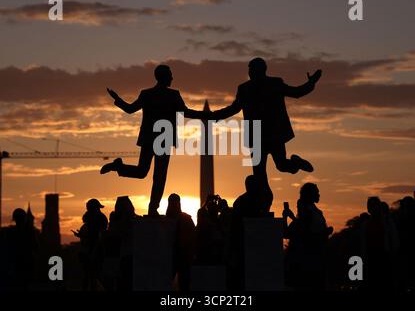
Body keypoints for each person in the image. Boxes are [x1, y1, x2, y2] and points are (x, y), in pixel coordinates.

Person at [212, 58, 322, 211]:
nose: (249, 73)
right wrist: (216, 115)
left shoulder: (263, 85)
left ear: (260, 70)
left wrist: (311, 83)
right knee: (268, 170)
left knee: (272, 169)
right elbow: (234, 108)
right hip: (265, 136)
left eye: (251, 70)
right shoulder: (253, 87)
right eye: (249, 70)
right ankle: (265, 199)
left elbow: (296, 92)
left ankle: (292, 166)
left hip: (267, 135)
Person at [101, 65, 209, 216]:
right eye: (170, 75)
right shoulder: (173, 95)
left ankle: (119, 168)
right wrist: (208, 116)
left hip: (148, 138)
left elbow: (130, 109)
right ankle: (152, 208)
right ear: (164, 77)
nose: (172, 78)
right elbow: (186, 112)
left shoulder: (147, 94)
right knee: (159, 177)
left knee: (142, 171)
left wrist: (118, 99)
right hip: (163, 140)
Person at [283, 183, 332, 290]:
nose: (319, 194)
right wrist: (324, 233)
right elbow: (306, 234)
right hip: (311, 258)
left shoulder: (310, 210)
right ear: (310, 194)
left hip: (316, 256)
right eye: (316, 192)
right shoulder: (308, 211)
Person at [73, 198, 108, 290]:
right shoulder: (98, 219)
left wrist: (84, 236)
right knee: (89, 275)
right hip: (89, 251)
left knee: (93, 276)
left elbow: (98, 236)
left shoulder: (99, 219)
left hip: (95, 250)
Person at [166, 193, 196, 291]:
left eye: (175, 202)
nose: (173, 205)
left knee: (184, 285)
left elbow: (193, 237)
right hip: (171, 257)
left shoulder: (186, 219)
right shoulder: (165, 221)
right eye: (172, 202)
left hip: (183, 257)